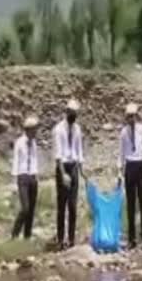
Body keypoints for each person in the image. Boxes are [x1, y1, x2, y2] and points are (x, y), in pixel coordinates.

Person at [119, 103, 142, 249]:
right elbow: (121, 152)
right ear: (126, 118)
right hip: (130, 166)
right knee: (131, 203)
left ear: (136, 116)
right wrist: (119, 170)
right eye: (128, 117)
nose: (131, 119)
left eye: (133, 116)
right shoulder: (123, 132)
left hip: (140, 164)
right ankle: (132, 239)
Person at [53, 99, 84, 249]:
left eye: (75, 114)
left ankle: (71, 239)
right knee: (62, 205)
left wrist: (81, 170)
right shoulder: (58, 129)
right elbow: (58, 154)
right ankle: (60, 239)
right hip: (62, 167)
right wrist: (63, 174)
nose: (74, 116)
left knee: (72, 205)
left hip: (73, 167)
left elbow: (79, 150)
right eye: (71, 113)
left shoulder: (77, 129)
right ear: (67, 112)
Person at [12, 115, 40, 240]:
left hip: (32, 177)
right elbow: (16, 160)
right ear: (28, 129)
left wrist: (36, 175)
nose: (36, 132)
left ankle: (27, 236)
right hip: (22, 176)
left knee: (32, 209)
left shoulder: (34, 143)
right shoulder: (19, 142)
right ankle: (14, 234)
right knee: (25, 208)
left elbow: (34, 159)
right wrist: (14, 181)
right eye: (34, 129)